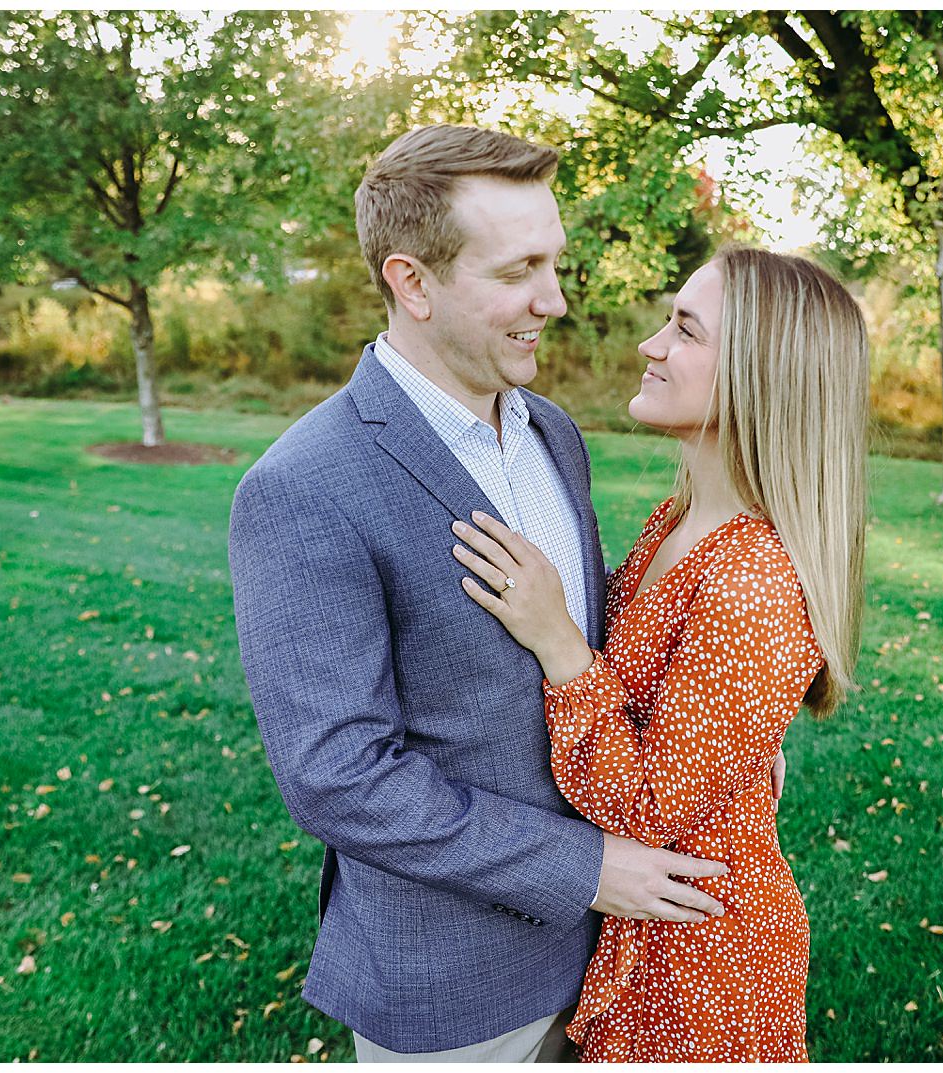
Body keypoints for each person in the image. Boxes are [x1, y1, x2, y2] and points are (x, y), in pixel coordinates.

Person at [227, 124, 733, 1062]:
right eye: (518, 272)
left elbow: (592, 652)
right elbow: (338, 776)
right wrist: (583, 869)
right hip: (457, 994)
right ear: (410, 281)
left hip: (622, 966)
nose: (556, 299)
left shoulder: (552, 430)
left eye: (555, 263)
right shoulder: (304, 485)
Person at [452, 246, 869, 1061]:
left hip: (700, 962)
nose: (650, 344)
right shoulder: (680, 519)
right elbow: (670, 697)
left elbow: (644, 812)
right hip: (654, 930)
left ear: (758, 373)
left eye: (684, 329)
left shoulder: (751, 577)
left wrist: (560, 642)